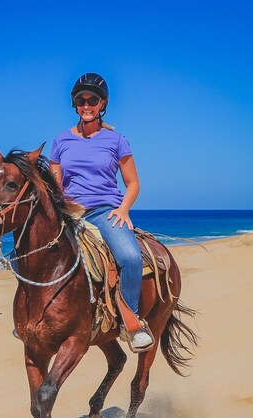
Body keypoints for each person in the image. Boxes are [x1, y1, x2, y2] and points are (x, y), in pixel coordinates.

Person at [49, 73, 154, 352]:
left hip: (104, 211)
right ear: (75, 104)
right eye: (81, 100)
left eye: (92, 100)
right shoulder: (61, 141)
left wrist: (123, 209)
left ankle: (129, 321)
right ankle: (33, 315)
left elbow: (133, 183)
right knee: (22, 255)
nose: (86, 105)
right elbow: (54, 182)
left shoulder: (116, 140)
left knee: (130, 258)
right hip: (69, 213)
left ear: (102, 103)